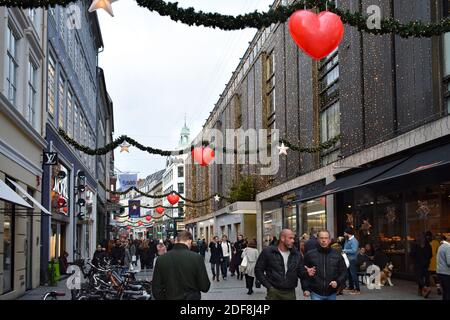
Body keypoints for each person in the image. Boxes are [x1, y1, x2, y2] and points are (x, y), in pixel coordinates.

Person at [152, 231, 211, 300]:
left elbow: (156, 288)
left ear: (176, 241)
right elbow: (205, 286)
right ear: (189, 241)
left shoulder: (161, 259)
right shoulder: (196, 258)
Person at [255, 229, 309, 300]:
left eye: (293, 238)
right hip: (274, 292)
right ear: (282, 238)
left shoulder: (296, 254)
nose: (293, 241)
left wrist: (306, 274)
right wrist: (269, 286)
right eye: (290, 238)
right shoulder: (268, 252)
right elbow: (258, 270)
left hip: (290, 293)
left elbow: (301, 273)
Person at [303, 230, 347, 300]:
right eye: (321, 238)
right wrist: (306, 288)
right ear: (317, 239)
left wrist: (337, 282)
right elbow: (304, 272)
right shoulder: (310, 255)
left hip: (331, 292)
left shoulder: (337, 255)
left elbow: (344, 272)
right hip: (315, 292)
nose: (324, 240)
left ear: (329, 240)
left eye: (326, 238)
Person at [410, 233, 433, 298]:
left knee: (418, 277)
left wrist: (412, 262)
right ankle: (420, 291)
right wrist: (426, 260)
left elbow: (411, 254)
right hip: (425, 264)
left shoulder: (415, 245)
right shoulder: (428, 245)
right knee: (424, 276)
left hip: (418, 264)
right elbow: (431, 255)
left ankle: (425, 288)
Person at [343, 227, 360, 295]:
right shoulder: (347, 239)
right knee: (349, 274)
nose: (344, 234)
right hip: (347, 259)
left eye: (344, 233)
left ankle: (357, 289)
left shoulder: (354, 241)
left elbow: (354, 250)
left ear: (348, 233)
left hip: (352, 260)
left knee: (353, 274)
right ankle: (351, 287)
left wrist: (345, 251)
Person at [426, 231, 442, 295]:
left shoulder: (426, 243)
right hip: (435, 262)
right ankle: (438, 288)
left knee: (427, 277)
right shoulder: (436, 242)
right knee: (435, 277)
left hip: (428, 262)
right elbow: (438, 252)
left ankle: (428, 289)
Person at [437, 234, 450, 300]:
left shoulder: (441, 246)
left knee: (445, 292)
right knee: (448, 293)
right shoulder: (448, 247)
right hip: (447, 273)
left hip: (440, 272)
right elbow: (449, 262)